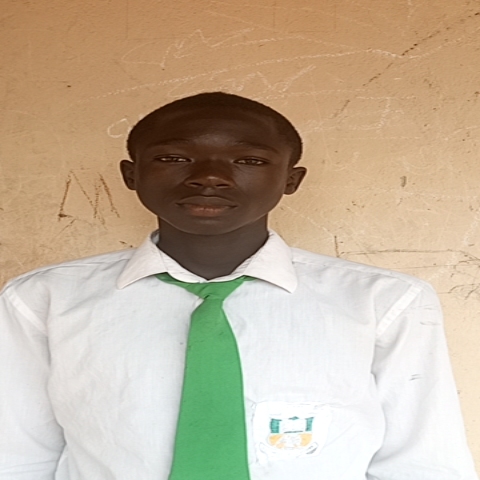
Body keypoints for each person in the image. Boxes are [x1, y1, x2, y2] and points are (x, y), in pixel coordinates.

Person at [0, 92, 477, 480]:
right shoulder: (42, 301)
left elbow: (421, 464)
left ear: (291, 180)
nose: (209, 176)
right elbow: (17, 458)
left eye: (249, 159)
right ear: (132, 174)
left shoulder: (383, 302)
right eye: (173, 157)